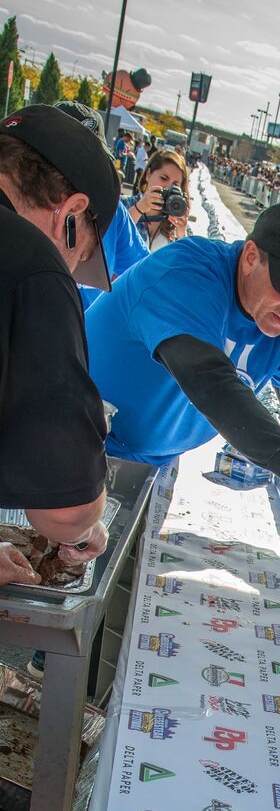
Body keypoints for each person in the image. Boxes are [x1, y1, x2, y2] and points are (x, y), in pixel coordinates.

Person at [85, 203, 280, 544]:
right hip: (80, 442)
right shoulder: (186, 272)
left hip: (154, 460)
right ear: (250, 257)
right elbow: (209, 380)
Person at [0, 104, 120, 585]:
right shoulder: (33, 264)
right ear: (70, 214)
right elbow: (65, 509)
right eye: (80, 256)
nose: (71, 270)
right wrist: (89, 519)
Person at [54, 101, 148, 311]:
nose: (79, 170)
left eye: (91, 160)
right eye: (67, 156)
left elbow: (145, 276)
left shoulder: (113, 213)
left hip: (83, 340)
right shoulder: (19, 204)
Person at [125, 149, 190, 250]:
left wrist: (182, 235)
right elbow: (112, 235)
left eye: (175, 185)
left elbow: (183, 263)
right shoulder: (124, 205)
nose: (168, 187)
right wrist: (139, 209)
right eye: (164, 178)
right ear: (148, 174)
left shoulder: (176, 223)